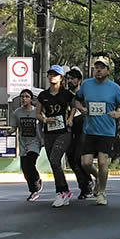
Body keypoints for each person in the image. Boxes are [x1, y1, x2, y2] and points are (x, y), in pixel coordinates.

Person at [73, 56, 120, 206]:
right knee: (85, 163)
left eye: (101, 67)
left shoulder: (114, 88)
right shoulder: (86, 85)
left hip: (106, 131)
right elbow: (76, 100)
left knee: (103, 161)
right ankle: (99, 177)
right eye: (96, 67)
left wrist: (117, 114)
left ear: (107, 71)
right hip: (90, 129)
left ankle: (102, 193)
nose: (98, 70)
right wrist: (81, 108)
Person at [36, 65, 75, 208]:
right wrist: (45, 120)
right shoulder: (43, 96)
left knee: (54, 159)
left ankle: (61, 193)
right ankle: (65, 190)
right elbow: (38, 114)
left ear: (61, 78)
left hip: (64, 133)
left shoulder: (67, 94)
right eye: (50, 74)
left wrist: (70, 117)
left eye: (55, 74)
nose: (52, 76)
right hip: (49, 132)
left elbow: (75, 105)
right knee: (54, 163)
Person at [7, 89, 43, 202]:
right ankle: (33, 190)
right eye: (22, 96)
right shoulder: (17, 113)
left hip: (35, 142)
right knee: (25, 168)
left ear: (31, 99)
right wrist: (8, 132)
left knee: (30, 163)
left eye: (27, 96)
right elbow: (14, 127)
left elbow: (44, 122)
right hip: (23, 143)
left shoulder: (37, 112)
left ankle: (36, 185)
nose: (24, 99)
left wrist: (44, 139)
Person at [65, 68, 94, 199]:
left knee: (79, 158)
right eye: (68, 78)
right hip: (71, 131)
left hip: (85, 130)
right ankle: (84, 184)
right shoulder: (66, 96)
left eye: (72, 78)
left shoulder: (87, 95)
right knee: (71, 158)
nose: (70, 81)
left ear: (79, 80)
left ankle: (87, 184)